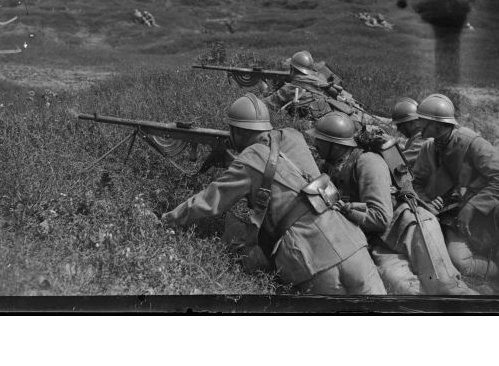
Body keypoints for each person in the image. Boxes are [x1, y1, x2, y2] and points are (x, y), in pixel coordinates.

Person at [162, 93, 386, 295]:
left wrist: (166, 220)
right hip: (349, 241)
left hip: (313, 259)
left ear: (237, 131)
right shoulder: (294, 136)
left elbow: (209, 201)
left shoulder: (249, 161)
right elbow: (288, 173)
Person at [308, 111, 477, 295]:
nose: (315, 144)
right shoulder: (330, 167)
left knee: (445, 286)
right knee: (407, 290)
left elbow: (380, 218)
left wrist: (347, 210)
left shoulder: (367, 162)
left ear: (336, 145)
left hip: (412, 228)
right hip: (382, 242)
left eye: (320, 140)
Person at [412, 94, 499, 280]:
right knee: (459, 262)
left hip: (482, 213)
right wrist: (426, 202)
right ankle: (498, 268)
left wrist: (473, 206)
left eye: (422, 121)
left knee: (460, 262)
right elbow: (415, 182)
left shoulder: (473, 143)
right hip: (450, 216)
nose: (418, 125)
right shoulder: (428, 148)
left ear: (438, 125)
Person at [260, 50, 367, 125]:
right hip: (341, 118)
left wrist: (263, 87)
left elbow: (263, 105)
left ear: (292, 69)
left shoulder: (289, 89)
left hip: (318, 125)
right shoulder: (320, 79)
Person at [391, 97, 427, 168]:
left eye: (400, 125)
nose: (399, 129)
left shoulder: (424, 139)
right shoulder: (416, 137)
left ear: (412, 122)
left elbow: (399, 162)